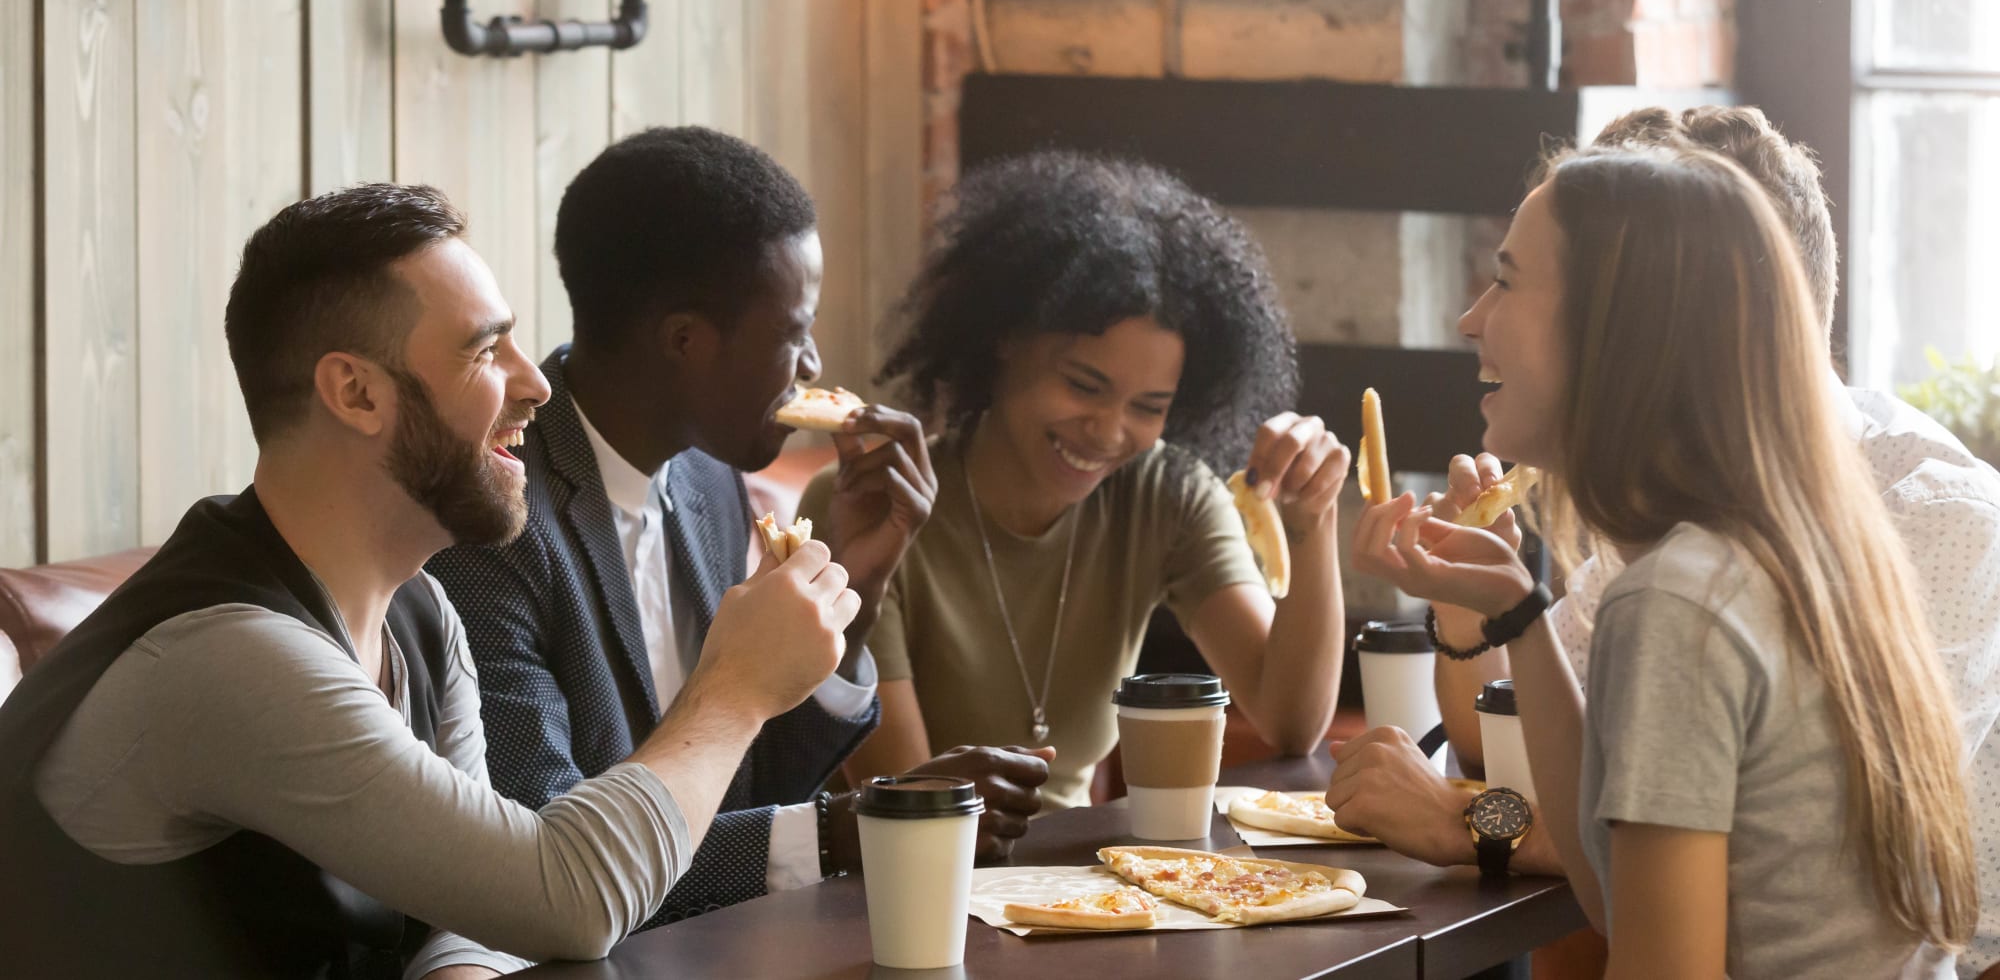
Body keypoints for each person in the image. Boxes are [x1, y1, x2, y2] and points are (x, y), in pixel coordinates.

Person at [0, 184, 861, 978]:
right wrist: (736, 687)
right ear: (356, 393)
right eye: (486, 352)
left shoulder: (421, 607)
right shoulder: (227, 658)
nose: (532, 385)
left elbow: (461, 908)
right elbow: (566, 898)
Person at [1327, 106, 2000, 978]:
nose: (1469, 319)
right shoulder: (1785, 545)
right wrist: (1520, 614)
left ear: (1616, 335)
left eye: (1508, 281)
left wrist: (1468, 825)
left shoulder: (1682, 601)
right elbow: (1609, 886)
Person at [427, 127, 1051, 926]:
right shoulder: (493, 523)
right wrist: (838, 834)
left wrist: (857, 584)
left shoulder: (708, 477)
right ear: (685, 341)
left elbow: (750, 790)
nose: (814, 365)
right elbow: (556, 863)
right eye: (795, 331)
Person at [807, 151, 1352, 810]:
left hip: (1082, 888)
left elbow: (1289, 721)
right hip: (909, 884)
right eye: (1083, 385)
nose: (1109, 431)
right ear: (1005, 340)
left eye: (1149, 407)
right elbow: (910, 809)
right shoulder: (872, 508)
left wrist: (1312, 521)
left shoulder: (1167, 497)